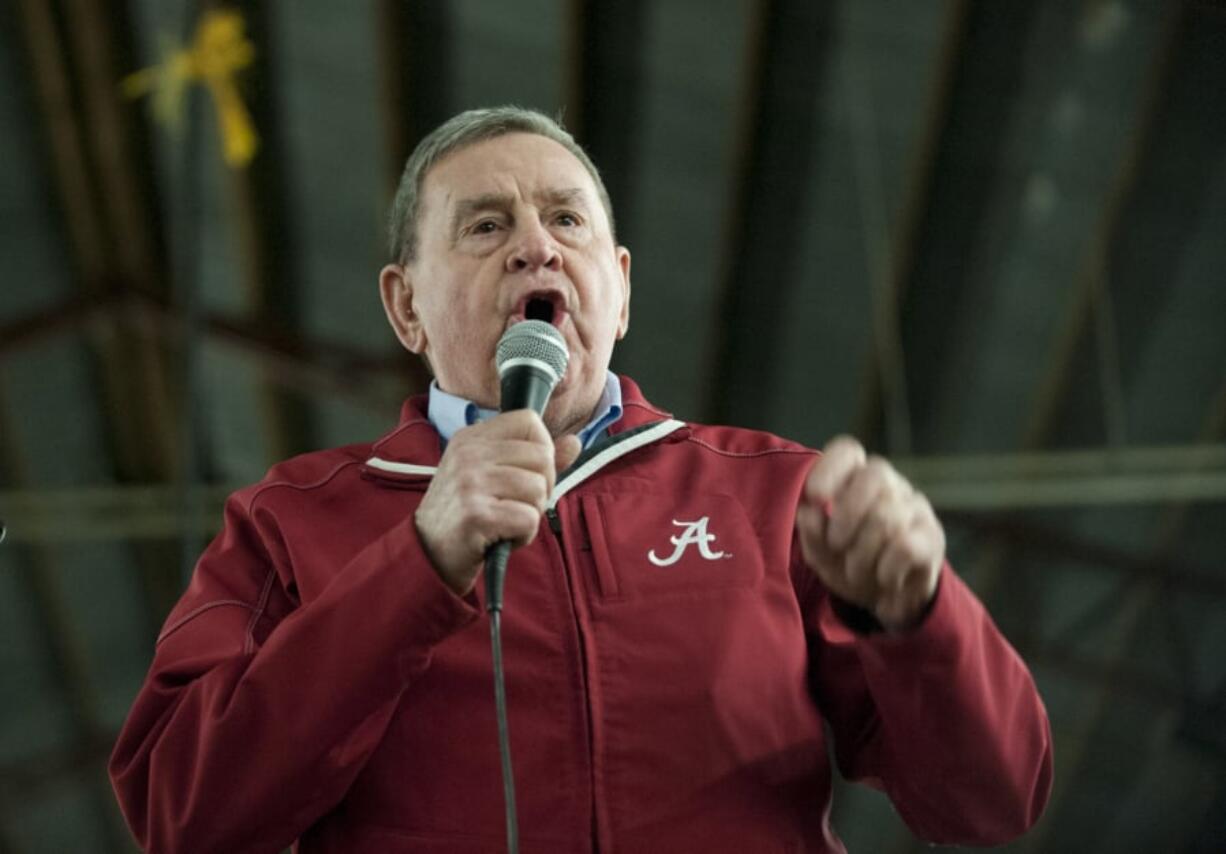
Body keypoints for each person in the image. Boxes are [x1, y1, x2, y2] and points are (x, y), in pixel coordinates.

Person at [110, 106, 1052, 853]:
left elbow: (993, 799)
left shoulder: (777, 499)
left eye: (566, 218)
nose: (536, 245)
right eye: (486, 225)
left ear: (623, 286)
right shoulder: (287, 521)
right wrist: (418, 563)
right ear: (405, 308)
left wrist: (918, 617)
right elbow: (177, 814)